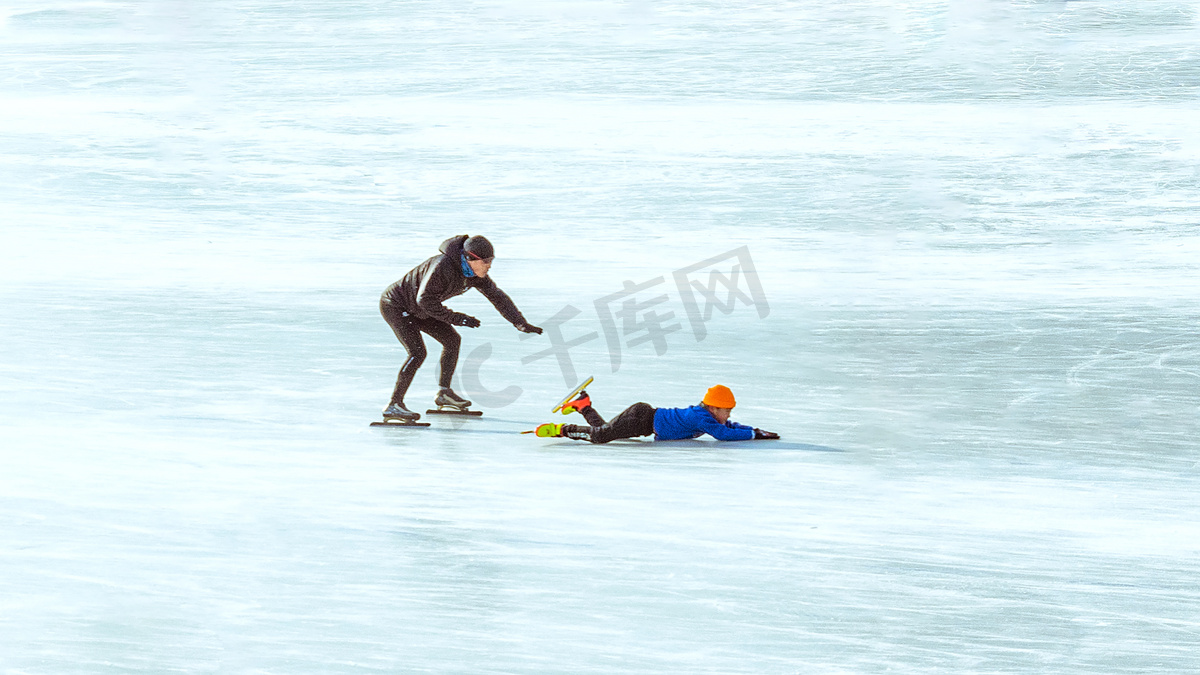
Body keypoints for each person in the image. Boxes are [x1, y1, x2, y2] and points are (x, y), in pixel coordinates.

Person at [380, 234, 542, 420]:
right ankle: (394, 404)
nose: (489, 266)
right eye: (486, 261)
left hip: (421, 308)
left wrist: (519, 322)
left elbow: (497, 296)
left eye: (491, 260)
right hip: (396, 305)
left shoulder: (474, 274)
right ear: (470, 258)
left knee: (452, 340)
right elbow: (424, 300)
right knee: (418, 353)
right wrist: (457, 318)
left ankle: (444, 393)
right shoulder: (443, 267)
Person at [534, 384, 780, 443]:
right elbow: (722, 434)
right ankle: (562, 429)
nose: (727, 416)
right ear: (714, 408)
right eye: (726, 411)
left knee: (606, 431)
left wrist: (754, 430)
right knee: (600, 437)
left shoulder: (706, 415)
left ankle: (583, 405)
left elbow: (728, 427)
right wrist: (753, 436)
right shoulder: (702, 417)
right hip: (641, 418)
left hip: (644, 421)